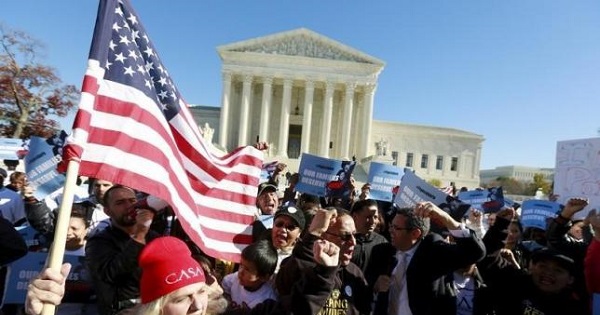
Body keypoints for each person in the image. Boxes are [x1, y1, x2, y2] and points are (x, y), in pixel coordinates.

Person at [367, 201, 486, 315]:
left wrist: (445, 218)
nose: (390, 231)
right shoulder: (381, 251)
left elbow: (475, 252)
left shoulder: (432, 251)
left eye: (396, 228)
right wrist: (376, 286)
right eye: (391, 226)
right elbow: (365, 286)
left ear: (415, 233)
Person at [276, 207, 371, 314]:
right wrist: (313, 235)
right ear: (322, 236)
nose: (353, 242)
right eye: (345, 236)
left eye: (355, 235)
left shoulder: (354, 273)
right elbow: (286, 287)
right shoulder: (298, 264)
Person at [85, 185, 159, 315]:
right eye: (120, 203)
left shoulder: (153, 237)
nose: (129, 206)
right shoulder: (98, 242)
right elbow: (110, 274)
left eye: (132, 201)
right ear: (107, 211)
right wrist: (139, 236)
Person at [222, 239, 278, 311]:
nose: (241, 271)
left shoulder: (267, 300)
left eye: (247, 269)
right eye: (241, 265)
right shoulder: (234, 279)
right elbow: (225, 285)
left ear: (264, 277)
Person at [350, 199, 387, 274]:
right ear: (355, 216)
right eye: (368, 217)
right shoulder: (343, 239)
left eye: (375, 217)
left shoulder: (382, 242)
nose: (373, 222)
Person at [270, 205, 305, 273]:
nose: (283, 229)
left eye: (290, 227)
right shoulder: (258, 247)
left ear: (299, 233)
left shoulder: (299, 261)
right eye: (279, 224)